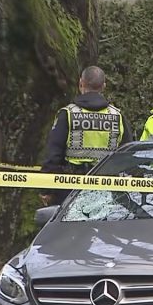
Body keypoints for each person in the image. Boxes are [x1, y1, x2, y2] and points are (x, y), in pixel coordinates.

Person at [40, 66, 133, 205]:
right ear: (104, 86)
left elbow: (54, 154)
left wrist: (46, 189)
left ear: (81, 84)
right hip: (106, 190)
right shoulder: (117, 116)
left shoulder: (67, 114)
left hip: (70, 188)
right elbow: (127, 156)